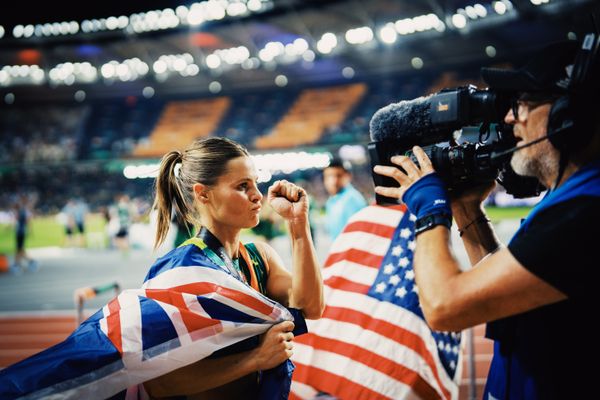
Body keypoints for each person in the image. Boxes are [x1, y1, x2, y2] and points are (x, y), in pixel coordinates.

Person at [373, 38, 600, 399]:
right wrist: (466, 207)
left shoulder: (585, 214)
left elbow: (445, 307)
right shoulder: (574, 200)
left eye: (523, 103)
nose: (511, 118)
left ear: (567, 116)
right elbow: (503, 289)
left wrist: (430, 207)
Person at [143, 137, 324, 398]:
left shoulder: (259, 258)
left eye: (255, 183)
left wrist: (298, 225)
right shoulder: (180, 272)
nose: (257, 195)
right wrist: (256, 358)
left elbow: (311, 306)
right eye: (242, 186)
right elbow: (160, 383)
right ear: (202, 193)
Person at [323, 157, 367, 240]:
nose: (333, 181)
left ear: (348, 176)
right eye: (329, 176)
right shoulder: (331, 201)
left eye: (338, 176)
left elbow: (357, 236)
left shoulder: (352, 199)